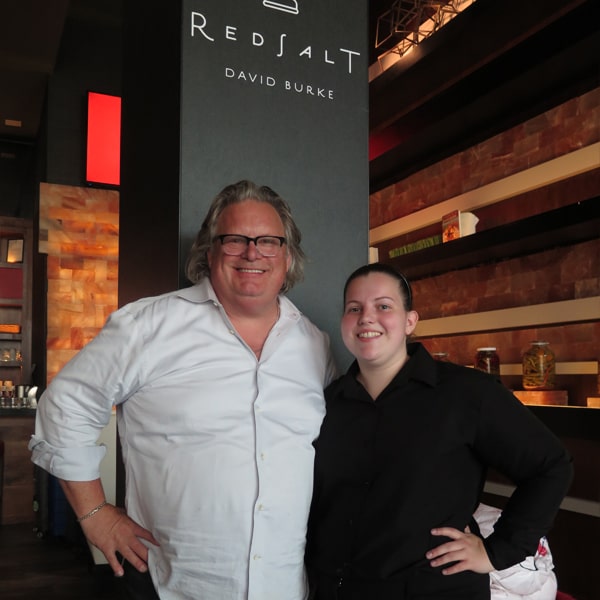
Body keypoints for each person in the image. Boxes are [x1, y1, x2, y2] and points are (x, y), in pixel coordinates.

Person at [30, 180, 337, 600]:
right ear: (210, 252)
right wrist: (96, 515)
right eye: (235, 240)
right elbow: (65, 408)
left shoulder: (315, 346)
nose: (252, 253)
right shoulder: (150, 326)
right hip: (174, 585)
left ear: (287, 255)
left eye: (268, 241)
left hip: (285, 585)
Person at [305, 263, 573, 600]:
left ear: (410, 321)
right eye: (353, 308)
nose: (366, 318)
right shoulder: (326, 402)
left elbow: (551, 465)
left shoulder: (466, 393)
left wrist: (496, 552)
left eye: (383, 306)